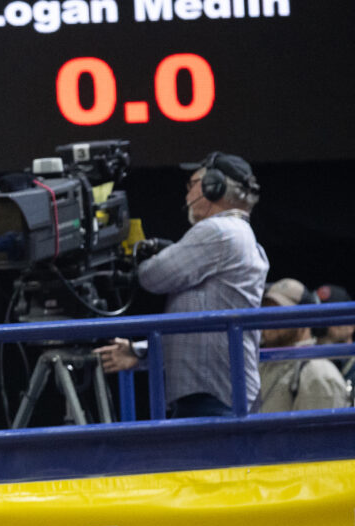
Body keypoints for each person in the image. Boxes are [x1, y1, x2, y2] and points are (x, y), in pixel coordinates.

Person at [97, 152, 269, 417]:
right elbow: (201, 325)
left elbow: (154, 277)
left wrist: (140, 263)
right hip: (218, 390)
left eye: (192, 184)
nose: (188, 194)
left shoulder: (218, 230)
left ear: (213, 187)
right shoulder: (240, 232)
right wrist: (140, 351)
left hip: (212, 394)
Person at [256, 279, 351, 413]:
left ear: (304, 319)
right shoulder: (262, 364)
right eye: (266, 309)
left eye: (280, 311)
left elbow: (320, 433)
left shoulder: (318, 373)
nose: (270, 318)